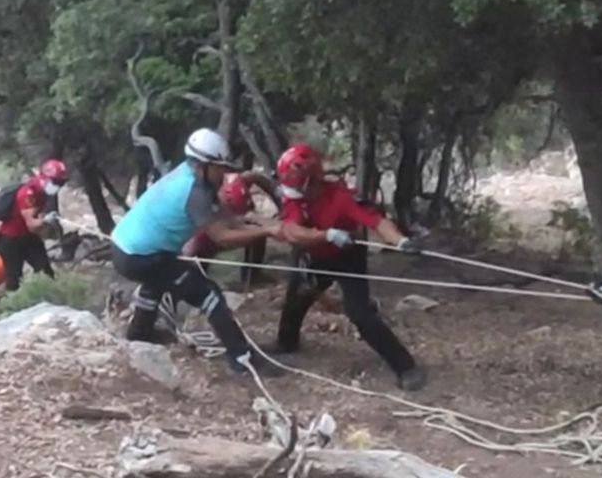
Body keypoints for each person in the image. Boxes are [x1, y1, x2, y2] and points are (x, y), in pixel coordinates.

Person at [111, 128, 283, 376]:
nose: (224, 173)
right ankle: (242, 358)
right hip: (141, 256)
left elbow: (224, 217)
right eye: (219, 167)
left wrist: (258, 223)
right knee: (208, 294)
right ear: (203, 165)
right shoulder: (195, 192)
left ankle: (139, 334)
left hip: (126, 248)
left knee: (157, 282)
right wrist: (266, 232)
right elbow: (221, 236)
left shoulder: (188, 175)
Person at [267, 143, 428, 391]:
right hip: (315, 253)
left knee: (360, 313)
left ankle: (406, 367)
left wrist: (400, 241)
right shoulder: (293, 198)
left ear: (312, 181)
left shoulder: (343, 197)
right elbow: (293, 231)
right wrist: (326, 235)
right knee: (297, 297)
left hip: (347, 256)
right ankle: (286, 343)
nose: (291, 193)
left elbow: (377, 221)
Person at [182, 172, 277, 285]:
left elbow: (257, 177)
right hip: (205, 234)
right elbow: (190, 250)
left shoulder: (236, 181)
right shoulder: (202, 203)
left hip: (225, 221)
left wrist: (280, 199)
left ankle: (251, 276)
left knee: (256, 233)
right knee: (198, 257)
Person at [0, 159, 68, 291]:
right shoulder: (28, 193)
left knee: (46, 273)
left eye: (61, 183)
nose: (58, 186)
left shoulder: (43, 192)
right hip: (10, 240)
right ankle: (11, 307)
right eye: (56, 182)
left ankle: (50, 301)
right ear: (45, 178)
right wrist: (46, 220)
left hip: (28, 237)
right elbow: (32, 225)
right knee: (14, 279)